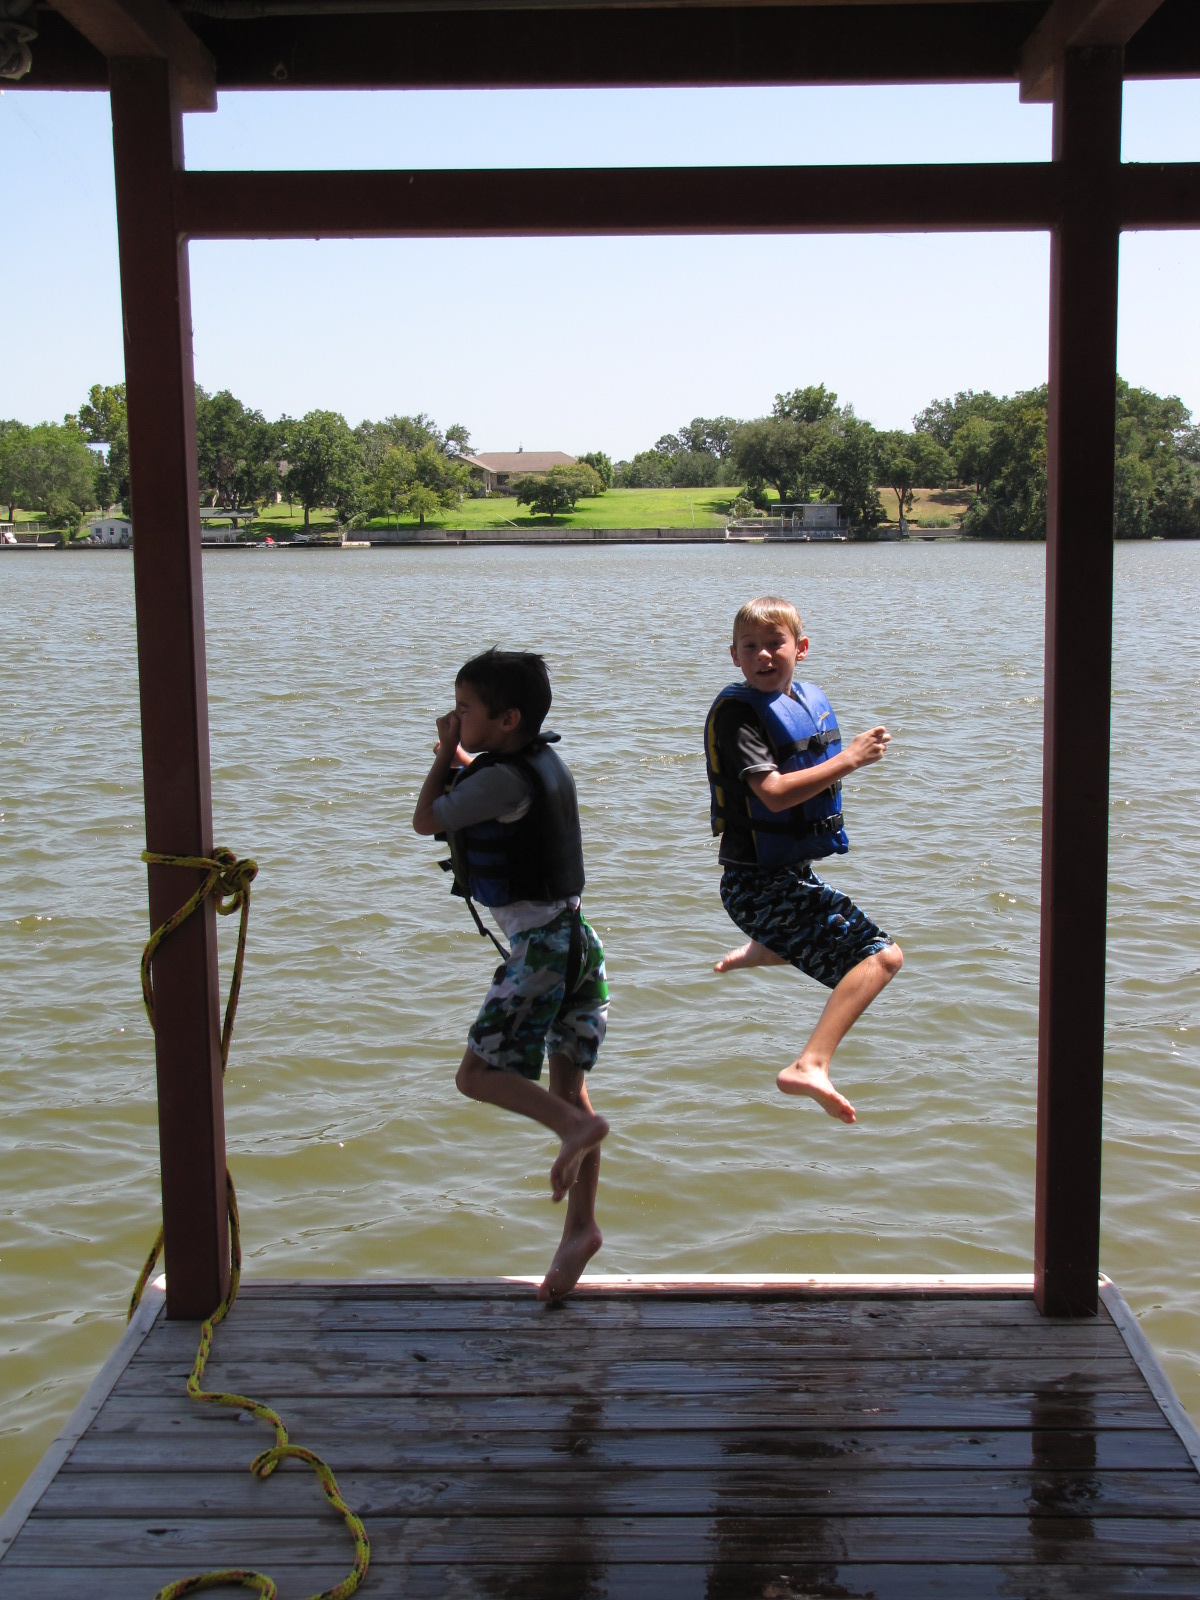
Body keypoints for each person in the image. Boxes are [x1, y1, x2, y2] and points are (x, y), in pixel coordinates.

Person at [412, 648, 610, 1301]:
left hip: (545, 953)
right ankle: (579, 1229)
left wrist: (443, 752)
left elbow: (425, 819)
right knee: (571, 1091)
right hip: (581, 943)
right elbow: (486, 783)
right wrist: (463, 752)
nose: (455, 717)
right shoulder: (532, 762)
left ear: (506, 719)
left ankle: (572, 1132)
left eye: (465, 709)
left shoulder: (497, 778)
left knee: (477, 1076)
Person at [705, 595, 902, 1124]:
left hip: (779, 876)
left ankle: (765, 946)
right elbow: (771, 794)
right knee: (881, 958)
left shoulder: (798, 699)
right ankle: (810, 1064)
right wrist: (848, 760)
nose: (764, 655)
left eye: (775, 644)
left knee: (847, 941)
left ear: (802, 648)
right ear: (734, 656)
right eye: (751, 647)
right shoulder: (740, 717)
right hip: (756, 887)